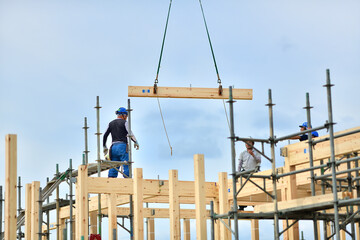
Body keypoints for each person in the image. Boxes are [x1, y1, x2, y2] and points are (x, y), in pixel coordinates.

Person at [103, 107, 139, 178]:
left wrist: (104, 146)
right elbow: (130, 133)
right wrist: (135, 141)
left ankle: (110, 181)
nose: (127, 117)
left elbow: (105, 135)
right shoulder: (125, 123)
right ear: (123, 115)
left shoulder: (111, 123)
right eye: (126, 116)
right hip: (122, 147)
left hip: (113, 148)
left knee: (113, 166)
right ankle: (127, 180)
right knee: (126, 164)